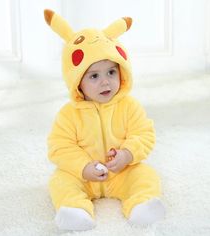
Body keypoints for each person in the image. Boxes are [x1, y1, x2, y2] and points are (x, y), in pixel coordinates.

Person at [44, 9, 165, 231]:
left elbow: (144, 133)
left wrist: (127, 154)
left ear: (122, 71)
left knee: (146, 175)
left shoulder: (129, 106)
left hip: (121, 171)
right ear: (77, 81)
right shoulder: (68, 114)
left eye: (111, 72)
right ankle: (75, 210)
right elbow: (59, 147)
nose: (105, 82)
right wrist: (83, 167)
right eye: (94, 76)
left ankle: (142, 205)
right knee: (60, 182)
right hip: (84, 177)